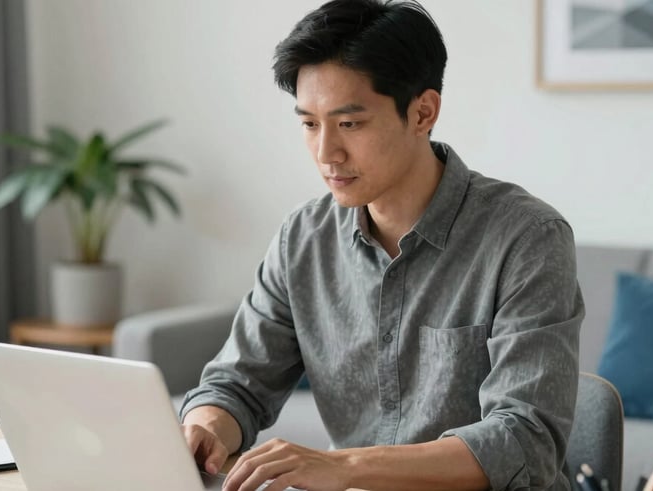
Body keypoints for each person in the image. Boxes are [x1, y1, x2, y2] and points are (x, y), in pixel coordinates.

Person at [181, 0, 584, 490]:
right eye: (310, 123)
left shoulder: (526, 238)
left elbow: (524, 441)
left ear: (423, 112)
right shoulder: (302, 239)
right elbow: (236, 383)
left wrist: (343, 466)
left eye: (349, 124)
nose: (327, 153)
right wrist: (205, 427)